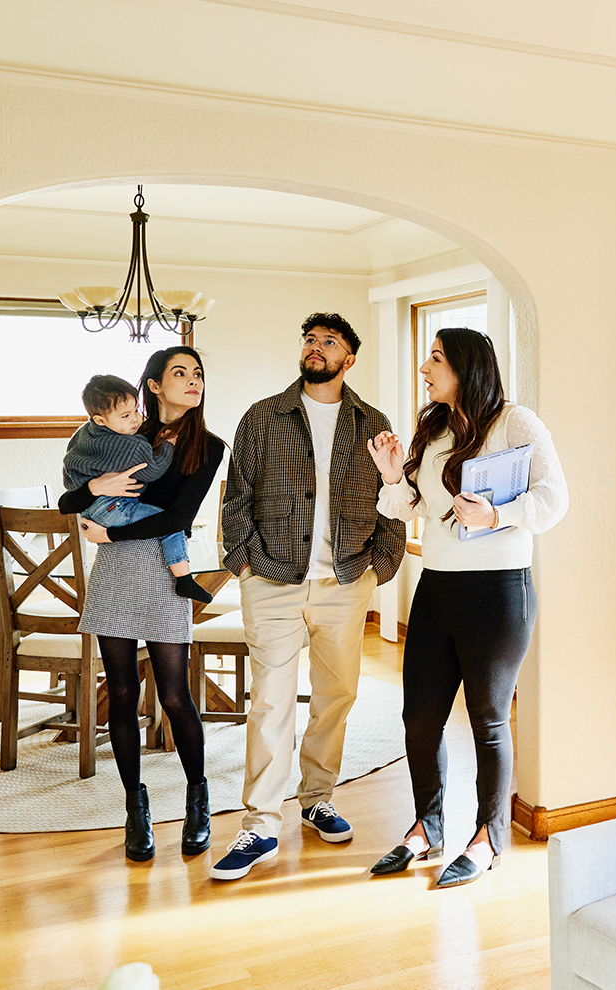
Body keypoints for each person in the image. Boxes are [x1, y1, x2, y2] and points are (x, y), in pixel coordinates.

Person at [366, 326, 568, 888]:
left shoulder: (515, 422)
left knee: (488, 718)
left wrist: (497, 515)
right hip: (436, 586)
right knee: (420, 716)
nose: (425, 368)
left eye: (435, 359)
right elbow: (416, 509)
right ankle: (427, 828)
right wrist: (390, 473)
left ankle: (488, 837)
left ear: (466, 366)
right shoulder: (432, 428)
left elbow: (555, 498)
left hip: (500, 590)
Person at [209, 313, 406, 881]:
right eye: (311, 340)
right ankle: (261, 824)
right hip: (272, 578)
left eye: (330, 343)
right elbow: (236, 496)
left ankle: (317, 795)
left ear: (349, 359)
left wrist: (379, 566)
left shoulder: (372, 423)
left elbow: (395, 493)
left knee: (336, 694)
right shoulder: (264, 416)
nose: (316, 349)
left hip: (345, 582)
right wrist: (244, 563)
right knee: (270, 699)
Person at [58, 346, 225, 863]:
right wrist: (96, 487)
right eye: (180, 373)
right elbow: (67, 503)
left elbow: (178, 516)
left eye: (198, 373)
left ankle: (198, 796)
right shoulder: (126, 433)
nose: (193, 381)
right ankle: (136, 805)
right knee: (124, 694)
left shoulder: (209, 446)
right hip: (115, 578)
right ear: (153, 385)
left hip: (163, 573)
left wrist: (106, 531)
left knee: (175, 696)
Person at [64, 374, 213, 604]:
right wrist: (166, 447)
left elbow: (69, 491)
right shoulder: (129, 444)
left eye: (136, 410)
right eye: (126, 415)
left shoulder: (84, 434)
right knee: (172, 527)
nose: (136, 419)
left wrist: (93, 490)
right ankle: (184, 579)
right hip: (114, 510)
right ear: (154, 385)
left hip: (94, 512)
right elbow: (152, 471)